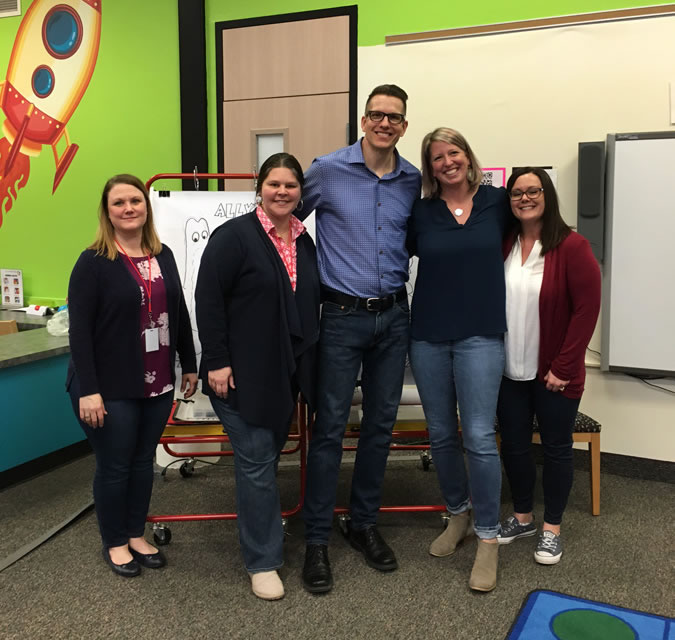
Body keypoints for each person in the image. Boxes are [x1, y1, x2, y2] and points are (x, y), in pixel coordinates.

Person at [300, 84, 421, 594]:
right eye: (377, 114)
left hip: (394, 317)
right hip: (341, 318)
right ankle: (316, 539)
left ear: (404, 125)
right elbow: (278, 218)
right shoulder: (326, 170)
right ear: (364, 119)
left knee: (379, 427)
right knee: (329, 429)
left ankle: (363, 523)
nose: (384, 123)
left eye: (394, 117)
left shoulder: (413, 179)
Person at [195, 153, 319, 601]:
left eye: (290, 185)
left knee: (264, 461)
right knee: (256, 464)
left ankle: (265, 542)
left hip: (281, 373)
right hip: (240, 374)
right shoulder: (233, 237)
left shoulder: (304, 240)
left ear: (301, 191)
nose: (282, 192)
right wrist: (218, 361)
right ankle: (262, 560)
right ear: (259, 187)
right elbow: (208, 300)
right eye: (274, 184)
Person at [67, 174, 198, 578]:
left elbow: (177, 313)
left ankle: (135, 532)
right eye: (119, 203)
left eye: (135, 201)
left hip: (156, 381)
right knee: (115, 464)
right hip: (109, 386)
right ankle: (114, 541)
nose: (128, 209)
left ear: (146, 207)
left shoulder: (165, 255)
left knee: (142, 462)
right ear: (107, 212)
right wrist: (88, 390)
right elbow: (80, 331)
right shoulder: (93, 262)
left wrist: (189, 363)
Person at [408, 127, 511, 592]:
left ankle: (488, 537)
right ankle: (457, 515)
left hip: (481, 336)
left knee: (481, 438)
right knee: (441, 435)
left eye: (454, 153)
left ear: (468, 157)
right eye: (437, 158)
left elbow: (539, 235)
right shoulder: (421, 212)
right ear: (429, 168)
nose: (447, 162)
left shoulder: (499, 202)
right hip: (428, 335)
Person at [496, 167, 601, 564]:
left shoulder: (572, 246)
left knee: (556, 449)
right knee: (516, 446)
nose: (524, 198)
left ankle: (552, 528)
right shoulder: (504, 243)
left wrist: (565, 366)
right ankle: (523, 515)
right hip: (508, 369)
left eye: (532, 191)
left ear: (547, 194)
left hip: (554, 372)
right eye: (517, 193)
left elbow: (586, 311)